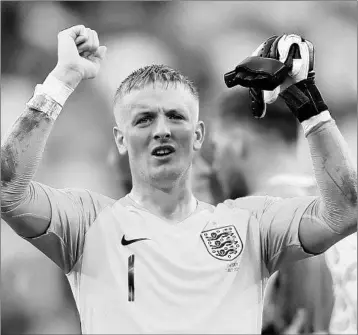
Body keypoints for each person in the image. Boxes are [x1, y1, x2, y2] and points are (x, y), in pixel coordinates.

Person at [1, 25, 356, 334]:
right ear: (120, 138)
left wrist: (305, 102)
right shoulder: (89, 224)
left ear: (200, 136)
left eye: (175, 117)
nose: (161, 131)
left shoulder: (251, 225)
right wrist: (60, 82)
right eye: (143, 120)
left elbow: (344, 212)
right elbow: (7, 191)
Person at [208, 88, 335, 334]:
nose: (215, 164)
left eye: (215, 146)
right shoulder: (345, 212)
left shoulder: (247, 222)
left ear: (237, 143)